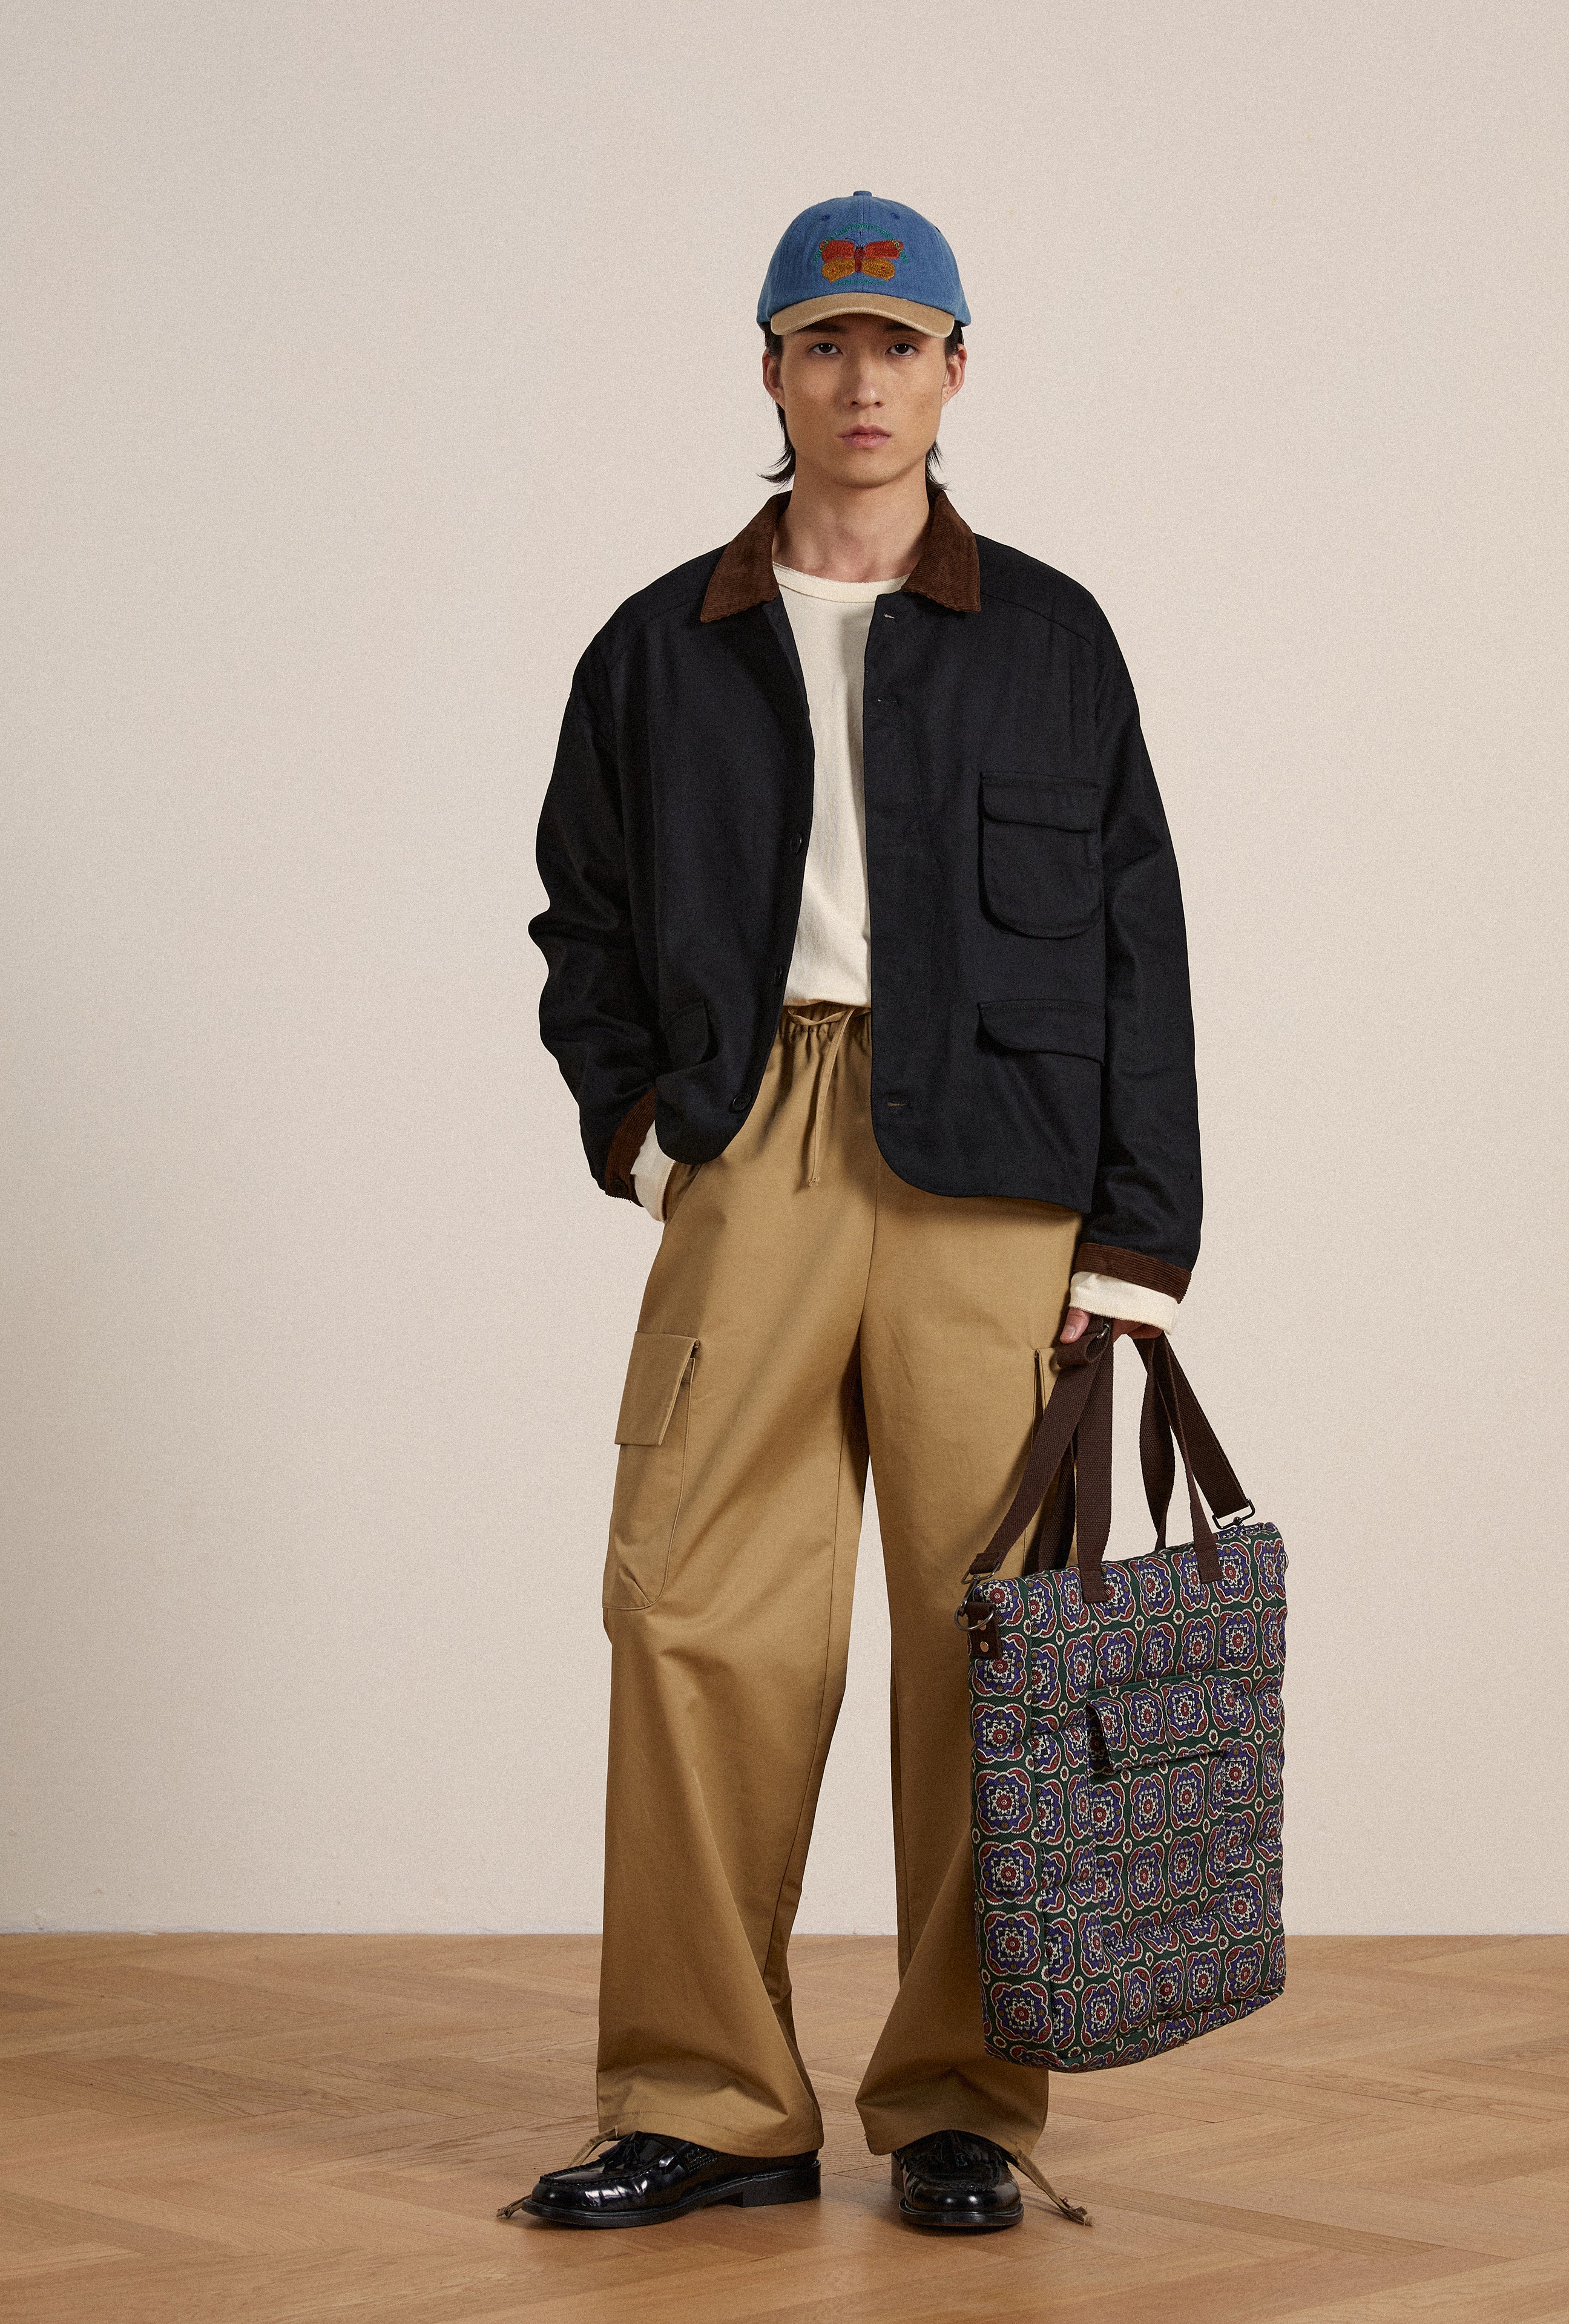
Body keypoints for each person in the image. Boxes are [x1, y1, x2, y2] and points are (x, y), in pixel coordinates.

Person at [505, 191, 1201, 2236]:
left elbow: (1142, 937)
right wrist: (644, 1140)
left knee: (990, 1640)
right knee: (693, 1614)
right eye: (825, 342)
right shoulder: (660, 644)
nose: (863, 379)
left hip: (1000, 1173)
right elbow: (584, 917)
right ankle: (709, 2097)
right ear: (773, 371)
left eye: (900, 346)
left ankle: (967, 2100)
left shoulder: (1052, 638)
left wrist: (1133, 1244)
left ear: (957, 371)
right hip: (757, 1141)